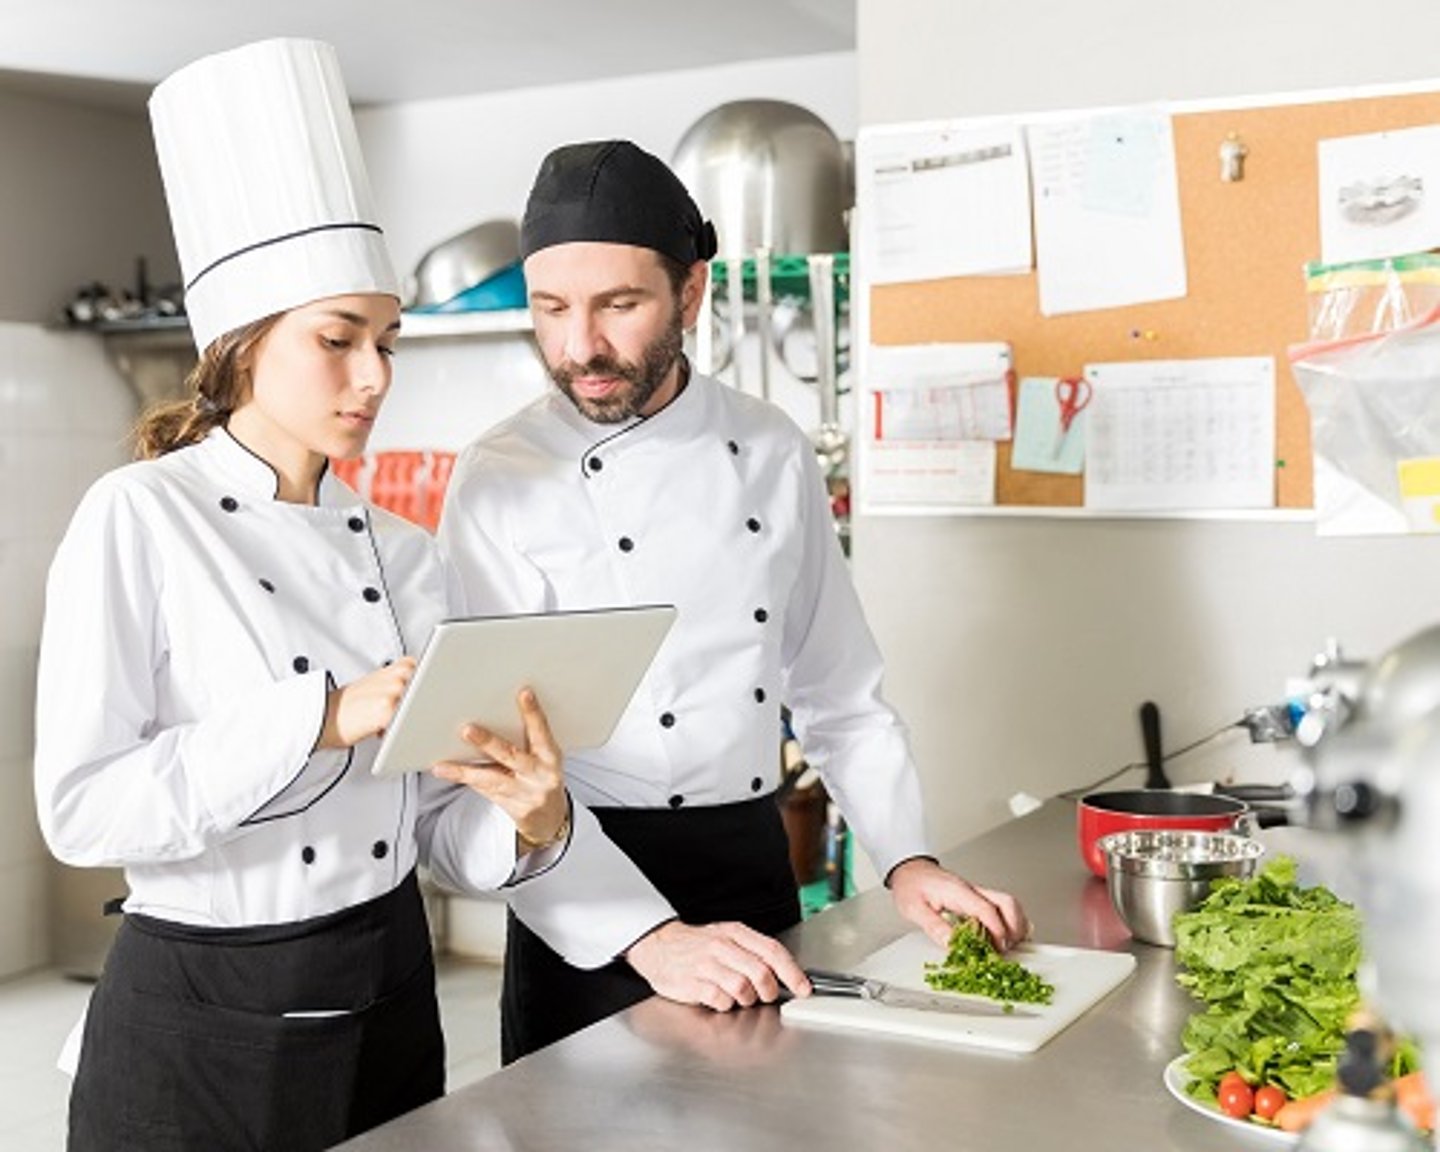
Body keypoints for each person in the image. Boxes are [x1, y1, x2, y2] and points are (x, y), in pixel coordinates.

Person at [32, 40, 570, 1151]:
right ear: (241, 347)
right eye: (337, 340)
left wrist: (525, 817)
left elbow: (429, 830)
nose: (374, 377)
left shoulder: (410, 557)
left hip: (386, 994)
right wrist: (323, 714)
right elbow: (81, 810)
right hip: (199, 1017)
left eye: (387, 342)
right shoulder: (140, 516)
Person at [437, 139, 1030, 1063]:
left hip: (751, 868)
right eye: (550, 309)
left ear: (692, 291)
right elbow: (492, 762)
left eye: (619, 305)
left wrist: (908, 860)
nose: (579, 346)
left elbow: (841, 694)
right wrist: (647, 936)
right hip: (582, 881)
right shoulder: (499, 478)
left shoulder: (770, 449)